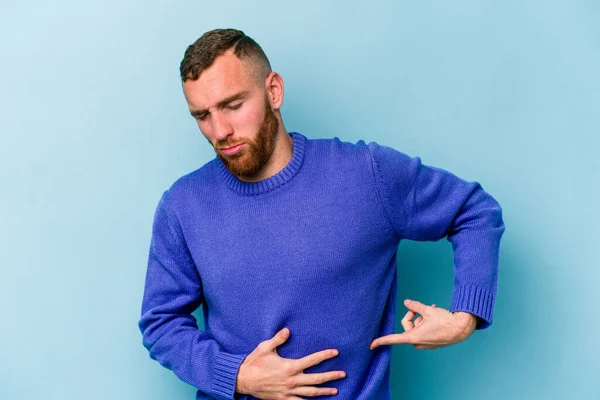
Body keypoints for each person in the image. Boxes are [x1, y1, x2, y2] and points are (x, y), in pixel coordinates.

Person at [138, 28, 506, 400]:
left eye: (233, 105)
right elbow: (161, 322)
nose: (220, 131)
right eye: (202, 115)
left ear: (274, 91)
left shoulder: (366, 174)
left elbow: (474, 211)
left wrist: (465, 318)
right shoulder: (183, 205)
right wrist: (239, 377)